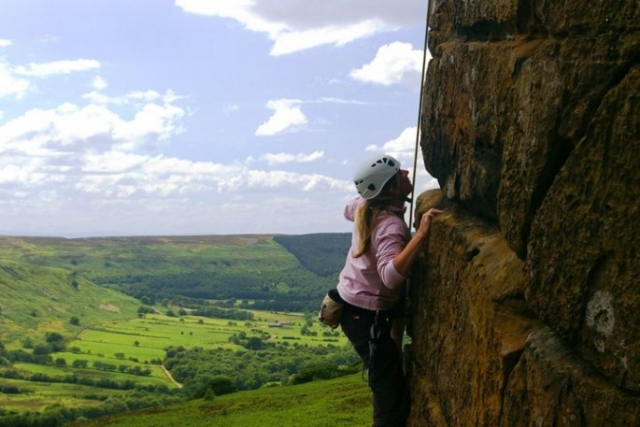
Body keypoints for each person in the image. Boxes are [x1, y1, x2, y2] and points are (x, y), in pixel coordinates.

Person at [336, 153, 442, 427]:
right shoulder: (390, 227)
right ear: (392, 189)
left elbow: (349, 208)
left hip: (354, 309)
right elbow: (390, 277)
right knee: (391, 403)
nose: (407, 172)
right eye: (399, 174)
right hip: (365, 316)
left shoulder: (364, 207)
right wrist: (420, 235)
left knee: (387, 390)